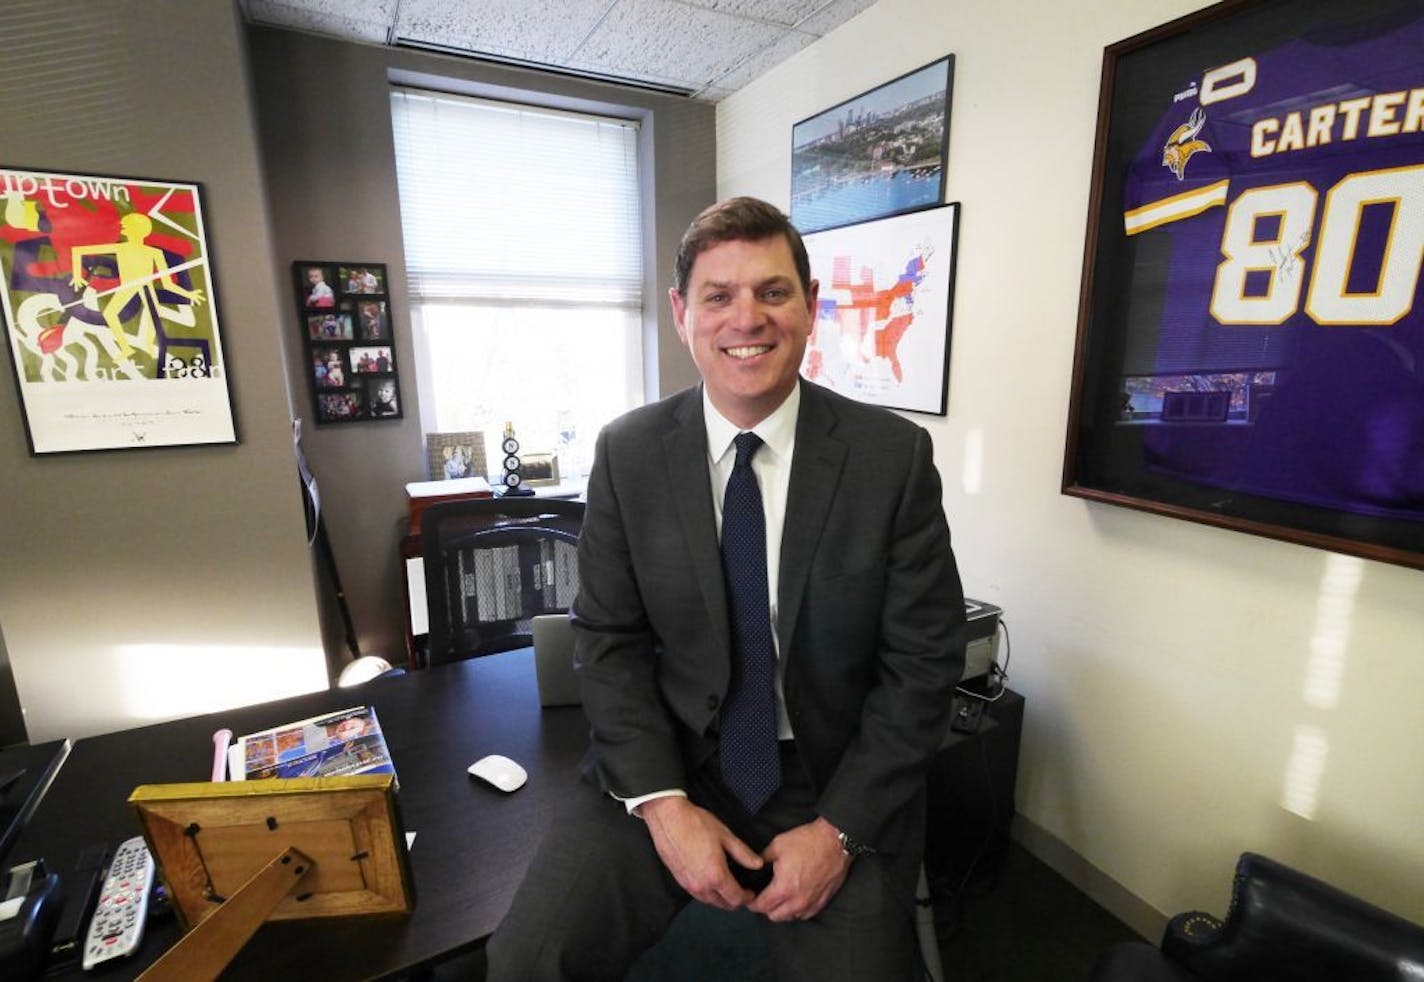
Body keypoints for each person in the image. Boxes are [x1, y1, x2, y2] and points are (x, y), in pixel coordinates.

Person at [487, 197, 966, 981]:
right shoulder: (629, 453)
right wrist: (665, 807)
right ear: (682, 313)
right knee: (528, 960)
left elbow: (924, 665)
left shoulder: (892, 459)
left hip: (830, 775)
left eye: (773, 292)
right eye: (719, 296)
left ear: (811, 307)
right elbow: (609, 642)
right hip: (674, 756)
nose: (748, 319)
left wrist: (840, 831)